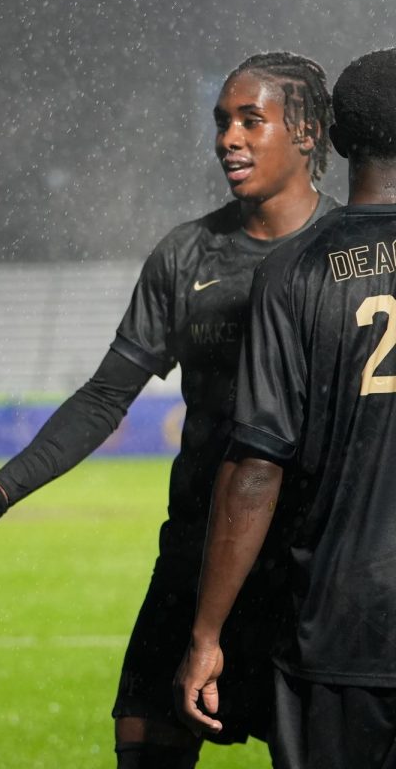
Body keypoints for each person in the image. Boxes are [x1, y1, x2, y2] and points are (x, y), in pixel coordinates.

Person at [0, 52, 338, 768]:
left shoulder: (348, 259)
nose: (229, 139)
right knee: (142, 743)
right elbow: (103, 398)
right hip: (192, 557)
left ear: (307, 132)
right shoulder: (187, 255)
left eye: (253, 120)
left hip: (307, 575)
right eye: (222, 122)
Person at [175, 47, 396, 769]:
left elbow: (257, 467)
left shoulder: (292, 272)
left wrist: (208, 634)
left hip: (335, 628)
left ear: (333, 138)